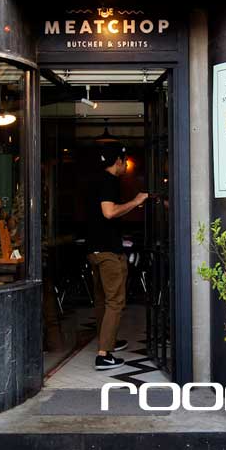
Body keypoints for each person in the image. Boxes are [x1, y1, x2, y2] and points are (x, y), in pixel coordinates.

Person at [86, 145, 149, 370]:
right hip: (107, 251)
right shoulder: (109, 181)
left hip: (94, 249)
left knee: (102, 299)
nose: (125, 166)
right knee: (115, 301)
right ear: (119, 161)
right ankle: (104, 354)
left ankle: (108, 341)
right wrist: (135, 202)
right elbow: (109, 212)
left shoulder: (96, 180)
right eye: (124, 161)